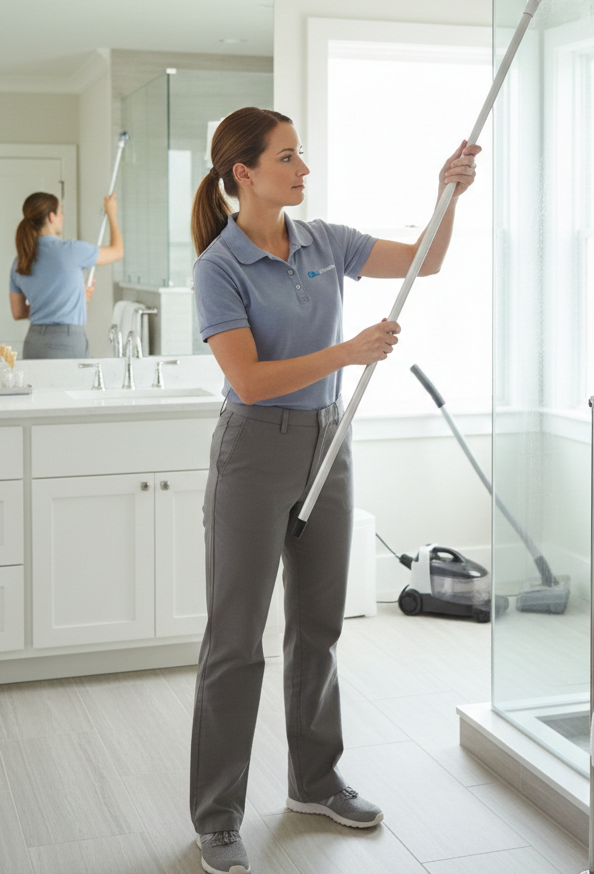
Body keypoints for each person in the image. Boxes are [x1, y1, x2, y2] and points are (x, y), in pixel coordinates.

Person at [189, 106, 479, 874]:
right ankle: (218, 816)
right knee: (235, 640)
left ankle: (315, 782)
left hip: (329, 440)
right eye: (288, 157)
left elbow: (424, 261)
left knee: (318, 624)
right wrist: (348, 350)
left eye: (303, 155)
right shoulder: (219, 266)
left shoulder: (324, 242)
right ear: (243, 173)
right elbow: (247, 378)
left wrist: (446, 195)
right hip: (254, 454)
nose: (303, 169)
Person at [9, 190, 123, 359]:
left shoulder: (20, 260)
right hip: (67, 342)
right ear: (51, 217)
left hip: (34, 342)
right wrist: (112, 214)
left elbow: (18, 312)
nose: (63, 217)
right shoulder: (72, 250)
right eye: (60, 212)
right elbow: (117, 252)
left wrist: (74, 299)